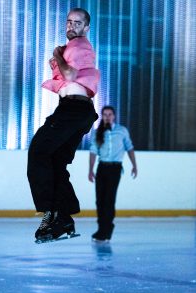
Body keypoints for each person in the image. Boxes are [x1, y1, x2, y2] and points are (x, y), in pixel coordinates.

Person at [27, 8, 100, 240]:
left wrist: (57, 55)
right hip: (78, 110)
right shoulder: (74, 48)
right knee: (56, 161)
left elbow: (69, 75)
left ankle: (50, 212)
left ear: (86, 28)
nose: (72, 26)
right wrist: (59, 56)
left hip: (73, 109)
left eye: (77, 23)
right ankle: (64, 220)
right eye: (69, 22)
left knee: (39, 150)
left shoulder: (79, 45)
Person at [88, 106, 137, 241]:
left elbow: (130, 148)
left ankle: (107, 229)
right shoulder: (97, 132)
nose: (107, 117)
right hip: (102, 168)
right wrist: (90, 170)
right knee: (100, 200)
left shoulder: (122, 131)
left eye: (110, 114)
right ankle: (101, 229)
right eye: (105, 114)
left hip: (115, 169)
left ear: (114, 116)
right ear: (102, 116)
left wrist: (134, 166)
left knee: (109, 200)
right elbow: (93, 151)